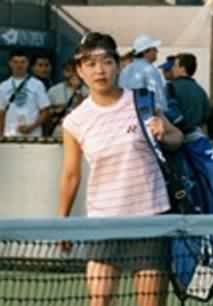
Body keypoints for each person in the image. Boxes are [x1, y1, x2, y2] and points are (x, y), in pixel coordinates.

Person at [58, 32, 183, 306]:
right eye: (90, 64)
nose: (99, 70)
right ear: (79, 70)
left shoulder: (142, 102)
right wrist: (63, 223)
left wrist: (165, 132)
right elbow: (70, 175)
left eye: (106, 62)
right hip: (104, 222)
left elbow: (177, 138)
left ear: (118, 65)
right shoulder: (75, 122)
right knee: (99, 302)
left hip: (150, 217)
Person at [0, 49, 50, 137]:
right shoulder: (3, 86)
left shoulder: (37, 84)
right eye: (15, 62)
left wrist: (32, 127)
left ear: (28, 64)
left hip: (33, 135)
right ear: (10, 64)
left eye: (23, 62)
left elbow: (45, 112)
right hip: (10, 135)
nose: (19, 65)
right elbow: (1, 113)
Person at [119, 34, 168, 111]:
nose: (157, 51)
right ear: (146, 51)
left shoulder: (126, 69)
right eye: (154, 49)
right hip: (147, 117)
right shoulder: (150, 70)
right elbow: (159, 102)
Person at [168, 53, 209, 134]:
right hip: (197, 137)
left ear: (182, 69)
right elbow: (206, 117)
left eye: (175, 66)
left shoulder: (170, 87)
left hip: (177, 138)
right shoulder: (201, 91)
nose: (172, 68)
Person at [46, 59, 88, 136]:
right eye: (68, 71)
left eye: (75, 71)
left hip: (80, 130)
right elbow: (46, 113)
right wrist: (57, 109)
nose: (72, 74)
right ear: (64, 72)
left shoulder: (87, 91)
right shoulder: (54, 90)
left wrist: (77, 90)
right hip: (59, 129)